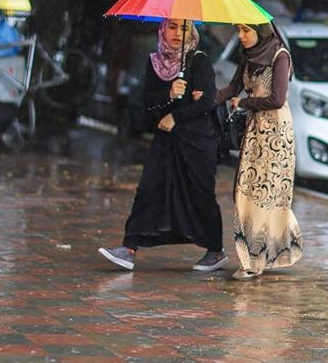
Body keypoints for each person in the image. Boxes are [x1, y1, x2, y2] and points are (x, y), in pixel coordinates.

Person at [99, 18, 227, 272]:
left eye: (184, 28)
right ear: (162, 30)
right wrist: (169, 93)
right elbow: (148, 102)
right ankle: (129, 247)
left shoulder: (199, 60)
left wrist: (175, 116)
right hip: (166, 142)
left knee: (200, 194)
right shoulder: (154, 62)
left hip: (197, 143)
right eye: (172, 27)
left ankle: (215, 249)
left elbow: (207, 101)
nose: (178, 33)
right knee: (149, 189)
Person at [217, 22, 302, 280]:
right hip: (253, 132)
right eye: (238, 31)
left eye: (245, 30)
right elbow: (231, 89)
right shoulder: (248, 57)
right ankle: (279, 248)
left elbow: (277, 99)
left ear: (260, 30)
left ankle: (253, 261)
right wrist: (200, 96)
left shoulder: (280, 56)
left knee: (264, 194)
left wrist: (244, 102)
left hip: (275, 134)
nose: (240, 36)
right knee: (244, 192)